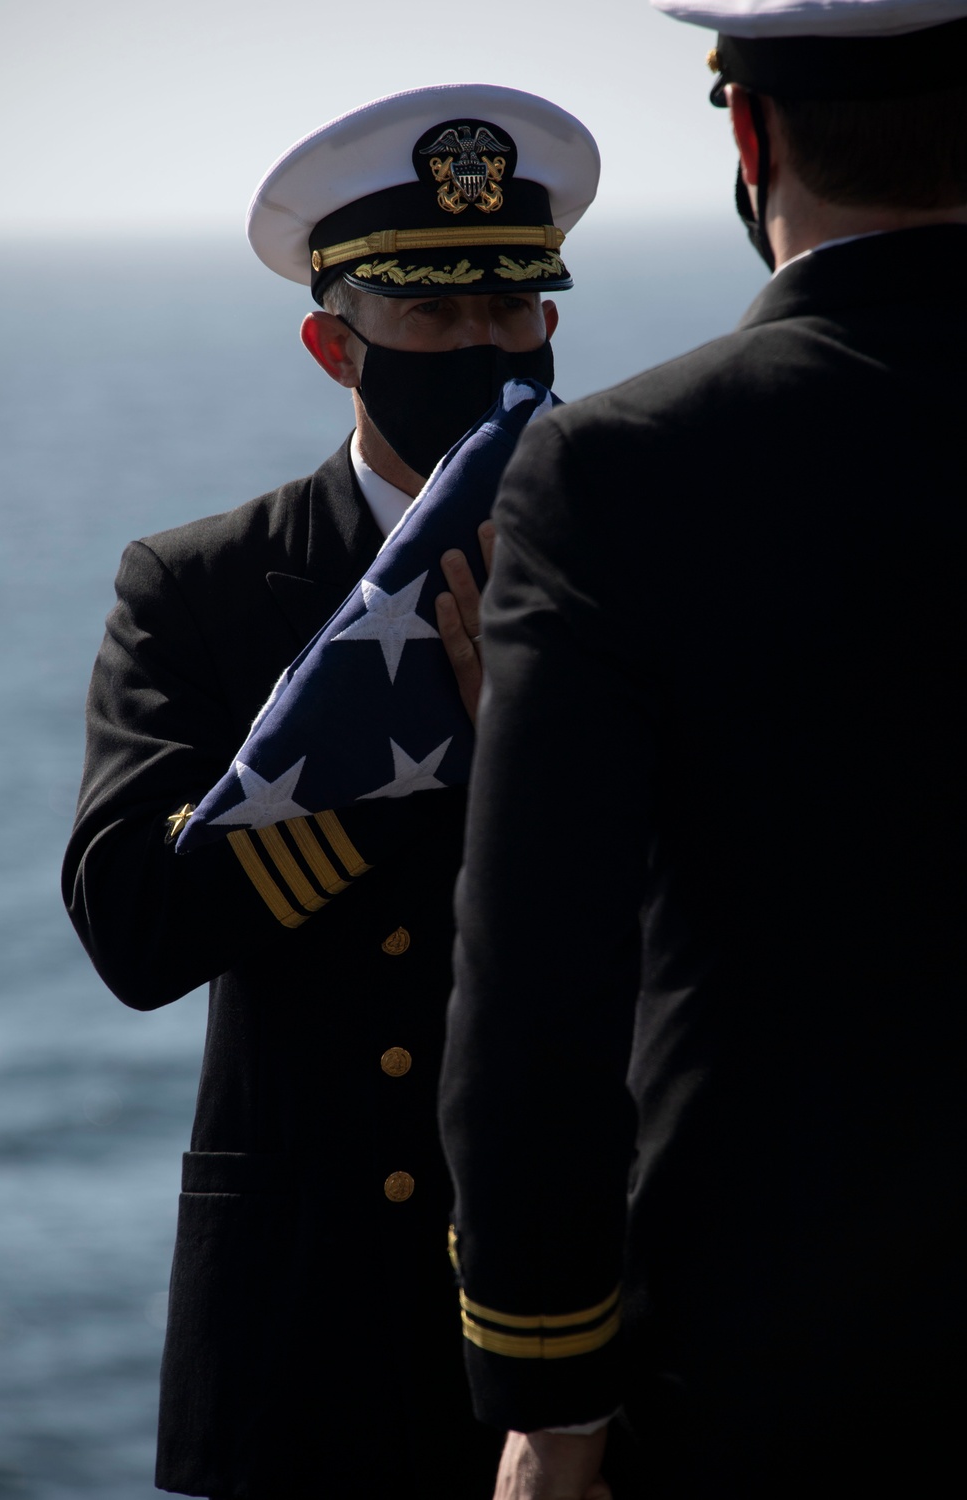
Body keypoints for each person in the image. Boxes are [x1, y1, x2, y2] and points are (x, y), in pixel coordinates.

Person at [438, 6, 967, 1497]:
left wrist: (551, 1390)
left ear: (753, 136)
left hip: (780, 1365)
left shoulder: (621, 470)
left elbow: (544, 967)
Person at [62, 83, 598, 1500]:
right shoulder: (204, 587)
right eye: (434, 317)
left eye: (516, 310)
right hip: (311, 1323)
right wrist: (418, 744)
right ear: (333, 346)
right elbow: (136, 924)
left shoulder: (638, 550)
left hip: (593, 1305)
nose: (486, 348)